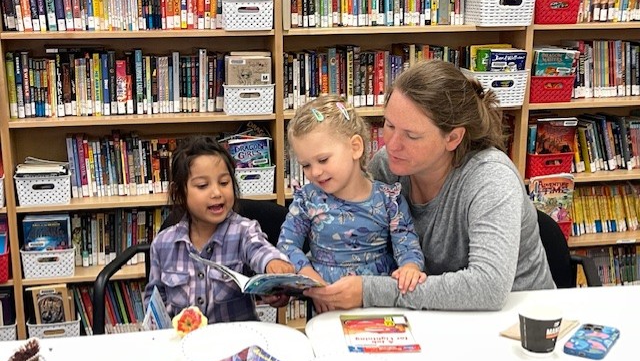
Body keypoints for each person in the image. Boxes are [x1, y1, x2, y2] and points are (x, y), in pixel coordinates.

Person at [305, 59, 555, 312]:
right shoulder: (387, 165)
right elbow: (347, 233)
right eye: (389, 126)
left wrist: (369, 291)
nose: (391, 144)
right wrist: (300, 281)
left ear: (453, 137)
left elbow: (488, 287)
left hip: (519, 321)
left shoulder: (491, 179)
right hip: (436, 317)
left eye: (412, 136)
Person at [277, 95, 426, 312]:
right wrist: (312, 282)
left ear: (355, 147)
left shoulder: (388, 200)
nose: (315, 172)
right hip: (325, 301)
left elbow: (407, 243)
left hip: (378, 302)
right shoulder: (307, 200)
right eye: (306, 165)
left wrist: (410, 268)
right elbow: (287, 245)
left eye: (323, 160)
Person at [144, 135, 293, 322]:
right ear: (179, 193)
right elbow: (155, 299)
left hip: (235, 345)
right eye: (202, 185)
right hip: (184, 343)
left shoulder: (244, 231)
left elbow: (259, 249)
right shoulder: (162, 244)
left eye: (224, 183)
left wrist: (274, 265)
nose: (216, 193)